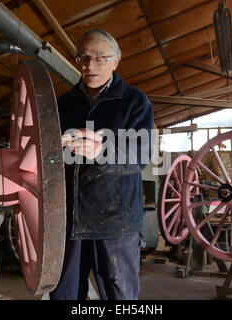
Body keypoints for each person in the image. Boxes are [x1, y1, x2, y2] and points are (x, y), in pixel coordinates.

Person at [50, 28, 154, 300]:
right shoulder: (64, 104)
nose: (90, 65)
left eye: (100, 58)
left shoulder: (134, 101)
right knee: (65, 293)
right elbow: (48, 153)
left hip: (115, 220)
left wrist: (104, 148)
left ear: (116, 61)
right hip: (70, 218)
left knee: (119, 293)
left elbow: (141, 153)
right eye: (83, 58)